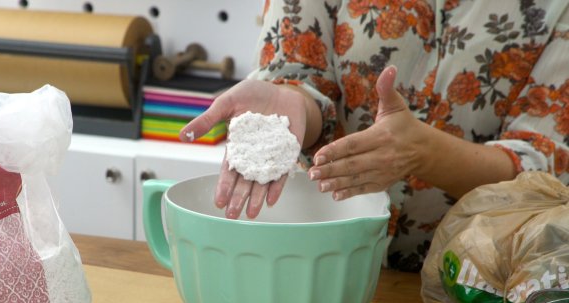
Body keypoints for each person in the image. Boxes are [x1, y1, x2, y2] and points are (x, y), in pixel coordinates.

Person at [180, 0, 569, 273]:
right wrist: (292, 103)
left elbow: (545, 165)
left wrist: (423, 153)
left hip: (476, 287)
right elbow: (298, 72)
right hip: (321, 261)